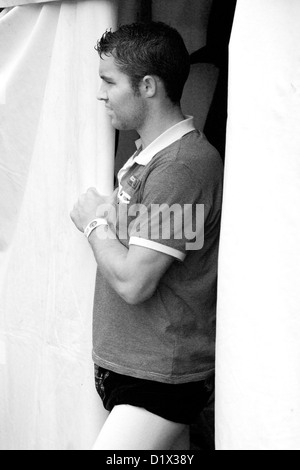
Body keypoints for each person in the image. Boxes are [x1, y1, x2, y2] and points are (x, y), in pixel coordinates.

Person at [70, 21, 223, 450]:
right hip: (143, 373)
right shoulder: (152, 157)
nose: (101, 93)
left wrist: (94, 222)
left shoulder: (182, 167)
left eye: (109, 80)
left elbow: (136, 282)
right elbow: (154, 245)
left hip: (159, 380)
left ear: (148, 86)